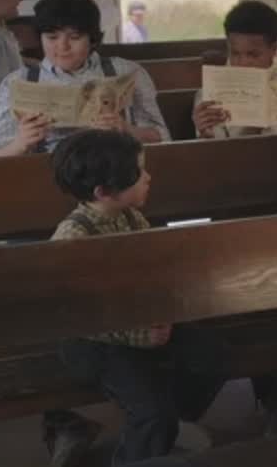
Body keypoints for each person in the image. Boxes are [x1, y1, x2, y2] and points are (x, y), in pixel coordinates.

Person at [47, 130, 225, 465]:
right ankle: (144, 447)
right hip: (94, 341)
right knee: (151, 413)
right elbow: (80, 314)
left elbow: (152, 270)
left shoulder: (129, 216)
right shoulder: (73, 238)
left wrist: (164, 311)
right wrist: (140, 335)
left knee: (212, 358)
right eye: (138, 173)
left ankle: (176, 422)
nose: (148, 177)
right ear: (103, 192)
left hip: (140, 320)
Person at [0, 0, 169, 158]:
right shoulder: (18, 82)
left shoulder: (126, 71)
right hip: (43, 173)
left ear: (92, 38)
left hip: (114, 172)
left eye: (74, 37)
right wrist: (21, 143)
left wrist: (126, 129)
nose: (62, 47)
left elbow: (163, 138)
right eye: (52, 38)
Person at [192, 1, 277, 138]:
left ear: (273, 49)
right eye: (235, 53)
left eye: (253, 55)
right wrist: (205, 134)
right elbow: (214, 147)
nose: (243, 63)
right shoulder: (208, 95)